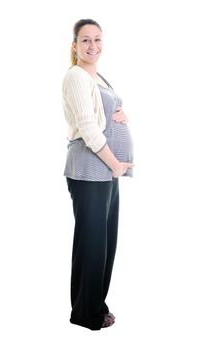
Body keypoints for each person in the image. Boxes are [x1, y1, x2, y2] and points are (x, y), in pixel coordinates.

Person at [62, 18, 134, 330]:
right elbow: (89, 130)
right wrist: (115, 163)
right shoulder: (76, 76)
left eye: (98, 39)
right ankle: (84, 313)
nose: (93, 46)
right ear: (75, 46)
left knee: (105, 243)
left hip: (105, 172)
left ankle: (95, 303)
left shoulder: (97, 77)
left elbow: (104, 115)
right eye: (86, 40)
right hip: (91, 169)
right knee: (91, 244)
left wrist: (122, 114)